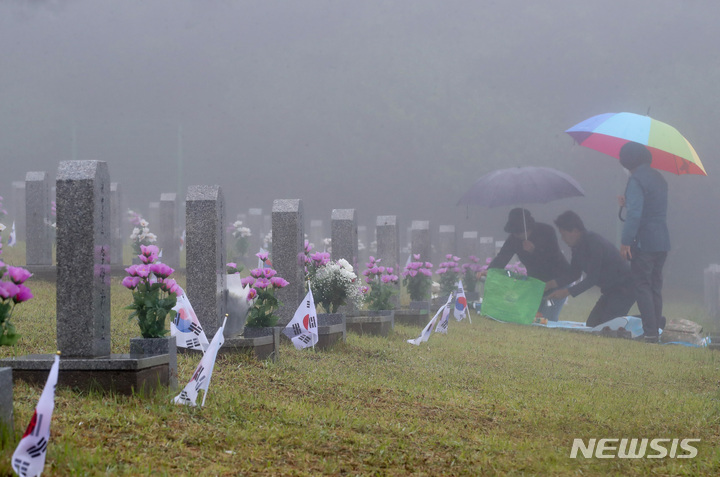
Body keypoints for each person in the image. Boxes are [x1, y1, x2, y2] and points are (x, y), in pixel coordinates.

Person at [545, 211, 635, 327]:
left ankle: (647, 321)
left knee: (606, 326)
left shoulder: (594, 243)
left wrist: (567, 292)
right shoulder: (577, 247)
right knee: (592, 325)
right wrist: (551, 284)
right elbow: (574, 274)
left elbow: (592, 278)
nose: (562, 239)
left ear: (575, 231)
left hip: (625, 288)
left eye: (564, 234)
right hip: (609, 291)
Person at [618, 141, 670, 343]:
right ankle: (655, 330)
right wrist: (628, 202)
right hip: (662, 240)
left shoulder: (636, 179)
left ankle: (649, 333)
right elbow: (651, 206)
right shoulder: (659, 177)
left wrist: (625, 241)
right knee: (655, 287)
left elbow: (635, 216)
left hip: (644, 242)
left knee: (642, 285)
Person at [479, 208, 571, 321]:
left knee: (548, 318)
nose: (517, 235)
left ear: (529, 228)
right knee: (532, 317)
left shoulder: (547, 231)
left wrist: (535, 251)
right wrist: (490, 270)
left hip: (557, 281)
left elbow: (554, 258)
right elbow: (502, 257)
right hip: (536, 283)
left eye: (520, 232)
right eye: (514, 232)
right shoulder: (514, 239)